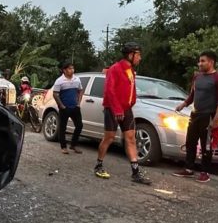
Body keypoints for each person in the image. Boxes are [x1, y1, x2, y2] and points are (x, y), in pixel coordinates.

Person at [94, 42, 151, 185]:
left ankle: (135, 172)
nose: (140, 58)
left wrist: (130, 103)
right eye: (138, 55)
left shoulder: (130, 70)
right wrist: (117, 109)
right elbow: (110, 91)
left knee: (131, 138)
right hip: (113, 108)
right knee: (109, 137)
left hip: (126, 109)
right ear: (130, 55)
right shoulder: (115, 69)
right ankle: (98, 165)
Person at [173, 50, 218, 183]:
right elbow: (192, 95)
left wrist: (215, 120)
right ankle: (188, 168)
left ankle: (205, 171)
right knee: (190, 141)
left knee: (206, 145)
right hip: (195, 114)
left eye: (203, 61)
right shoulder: (197, 77)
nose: (200, 64)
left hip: (208, 115)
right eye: (199, 61)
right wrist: (183, 104)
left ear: (211, 62)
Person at [52, 61, 83, 154]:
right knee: (63, 127)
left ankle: (73, 145)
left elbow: (80, 90)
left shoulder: (77, 79)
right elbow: (55, 94)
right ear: (64, 70)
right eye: (69, 68)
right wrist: (61, 105)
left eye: (73, 68)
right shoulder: (59, 81)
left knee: (79, 125)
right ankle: (63, 147)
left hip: (75, 107)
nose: (72, 70)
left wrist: (78, 103)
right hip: (65, 107)